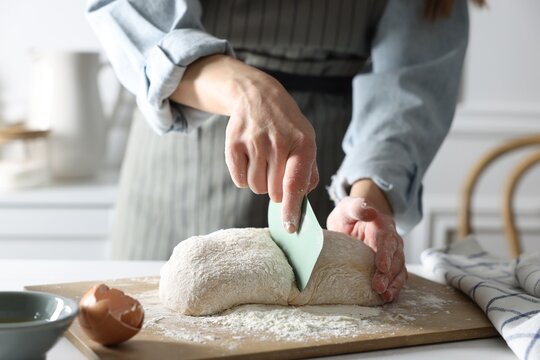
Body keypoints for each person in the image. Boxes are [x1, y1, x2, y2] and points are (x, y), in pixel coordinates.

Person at [87, 0, 480, 303]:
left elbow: (409, 86)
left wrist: (369, 197)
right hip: (186, 154)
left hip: (331, 171)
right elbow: (132, 12)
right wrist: (244, 89)